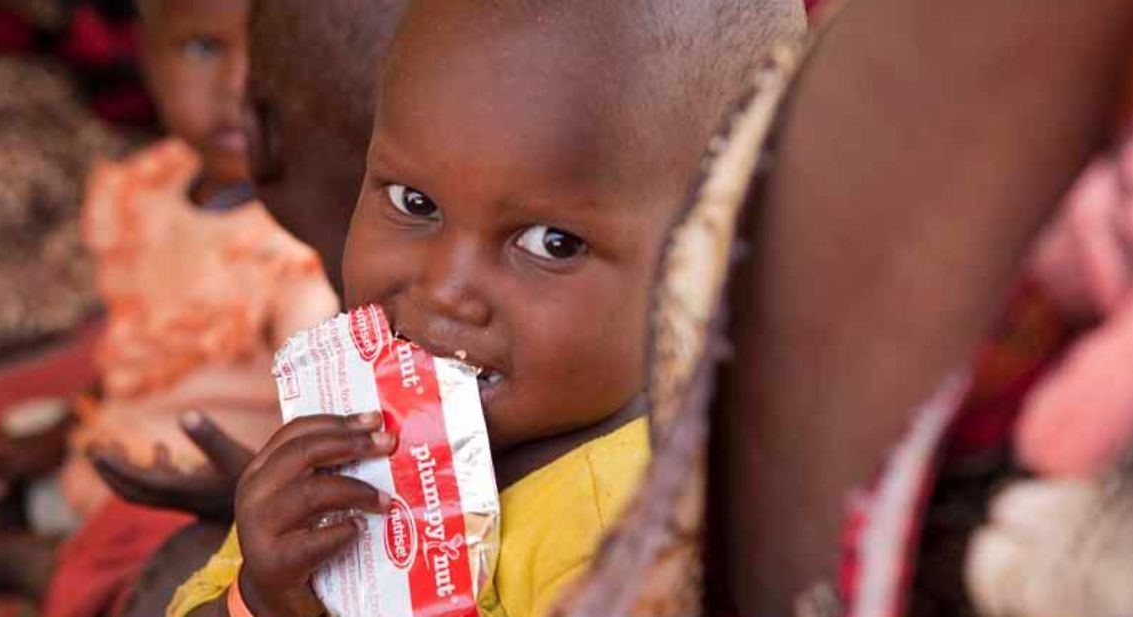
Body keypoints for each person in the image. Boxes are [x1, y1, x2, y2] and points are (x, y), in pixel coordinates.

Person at [167, 1, 801, 615]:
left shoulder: (636, 540)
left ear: (708, 265)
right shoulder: (353, 440)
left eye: (551, 244)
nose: (447, 288)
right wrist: (259, 597)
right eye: (414, 202)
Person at [0, 0, 338, 614]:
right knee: (11, 440)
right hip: (113, 439)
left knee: (170, 561)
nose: (239, 84)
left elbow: (319, 425)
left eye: (273, 58)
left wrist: (235, 489)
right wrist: (66, 426)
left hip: (200, 479)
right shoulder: (148, 190)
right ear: (146, 55)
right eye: (203, 50)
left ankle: (26, 561)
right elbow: (130, 346)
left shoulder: (300, 243)